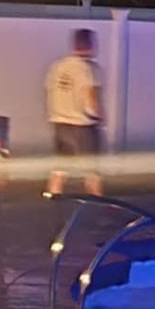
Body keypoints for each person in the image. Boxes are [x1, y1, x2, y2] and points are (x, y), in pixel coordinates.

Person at [45, 28, 104, 196]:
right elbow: (90, 97)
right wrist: (98, 116)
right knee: (92, 171)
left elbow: (50, 91)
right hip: (82, 125)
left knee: (60, 167)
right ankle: (95, 204)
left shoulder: (58, 66)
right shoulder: (89, 68)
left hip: (60, 123)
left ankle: (53, 197)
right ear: (91, 44)